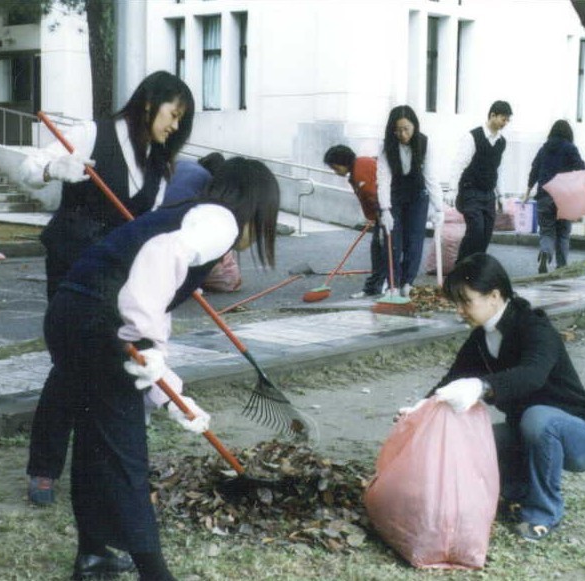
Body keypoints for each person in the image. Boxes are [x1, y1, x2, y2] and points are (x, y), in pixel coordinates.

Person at [42, 157, 278, 580]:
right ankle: (155, 574)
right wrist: (144, 342)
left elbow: (156, 308)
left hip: (71, 313)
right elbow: (157, 262)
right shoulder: (220, 221)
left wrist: (171, 392)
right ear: (254, 205)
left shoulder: (188, 214)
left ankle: (94, 555)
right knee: (124, 450)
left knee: (96, 442)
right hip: (98, 321)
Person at [19, 70, 195, 505]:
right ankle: (44, 468)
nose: (175, 127)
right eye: (174, 114)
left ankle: (107, 464)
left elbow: (147, 227)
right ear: (150, 103)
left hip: (115, 274)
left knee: (111, 363)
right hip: (72, 266)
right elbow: (26, 166)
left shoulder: (158, 161)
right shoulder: (92, 133)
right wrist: (53, 168)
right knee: (73, 363)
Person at [399, 253, 585, 542]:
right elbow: (452, 380)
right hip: (529, 431)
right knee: (478, 438)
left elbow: (532, 375)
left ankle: (543, 514)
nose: (459, 311)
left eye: (466, 301)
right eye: (456, 303)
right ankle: (518, 495)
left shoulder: (535, 327)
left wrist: (482, 386)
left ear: (494, 296)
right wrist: (420, 409)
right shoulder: (480, 338)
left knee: (538, 418)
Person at [376, 105, 444, 297]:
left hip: (417, 197)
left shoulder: (425, 143)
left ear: (415, 126)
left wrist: (438, 208)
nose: (403, 134)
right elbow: (384, 179)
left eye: (407, 129)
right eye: (398, 130)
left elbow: (431, 177)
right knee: (393, 241)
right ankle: (392, 284)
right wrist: (385, 209)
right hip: (395, 197)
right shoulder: (385, 146)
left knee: (414, 241)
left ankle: (408, 282)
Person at [448, 100, 513, 264]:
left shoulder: (501, 142)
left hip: (488, 194)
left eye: (507, 120)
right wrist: (452, 190)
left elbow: (498, 170)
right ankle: (461, 267)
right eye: (503, 119)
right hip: (470, 191)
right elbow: (459, 164)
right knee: (476, 229)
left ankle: (475, 269)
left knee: (486, 233)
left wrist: (501, 197)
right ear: (492, 115)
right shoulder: (473, 137)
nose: (505, 123)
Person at [323, 144, 387, 298]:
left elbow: (375, 195)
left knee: (384, 252)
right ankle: (373, 288)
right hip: (381, 216)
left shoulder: (361, 172)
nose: (335, 171)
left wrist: (380, 216)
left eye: (335, 167)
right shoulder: (358, 168)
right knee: (377, 251)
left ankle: (384, 287)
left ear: (342, 162)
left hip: (387, 214)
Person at [524, 120, 585, 273]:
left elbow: (534, 170)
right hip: (564, 197)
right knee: (563, 234)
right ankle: (562, 266)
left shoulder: (544, 149)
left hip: (544, 196)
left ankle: (545, 252)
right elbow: (582, 169)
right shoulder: (570, 148)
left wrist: (528, 191)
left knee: (547, 231)